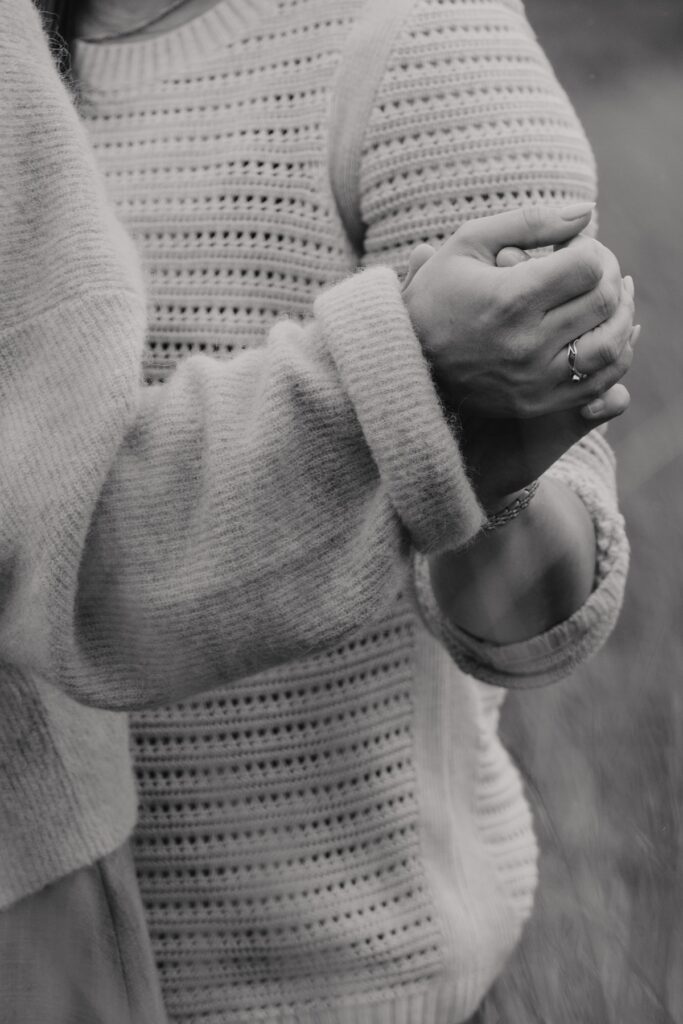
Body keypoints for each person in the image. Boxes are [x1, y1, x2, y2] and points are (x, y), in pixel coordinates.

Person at [0, 0, 634, 1021]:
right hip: (48, 965)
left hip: (342, 982)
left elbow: (537, 615)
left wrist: (483, 471)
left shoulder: (419, 32)